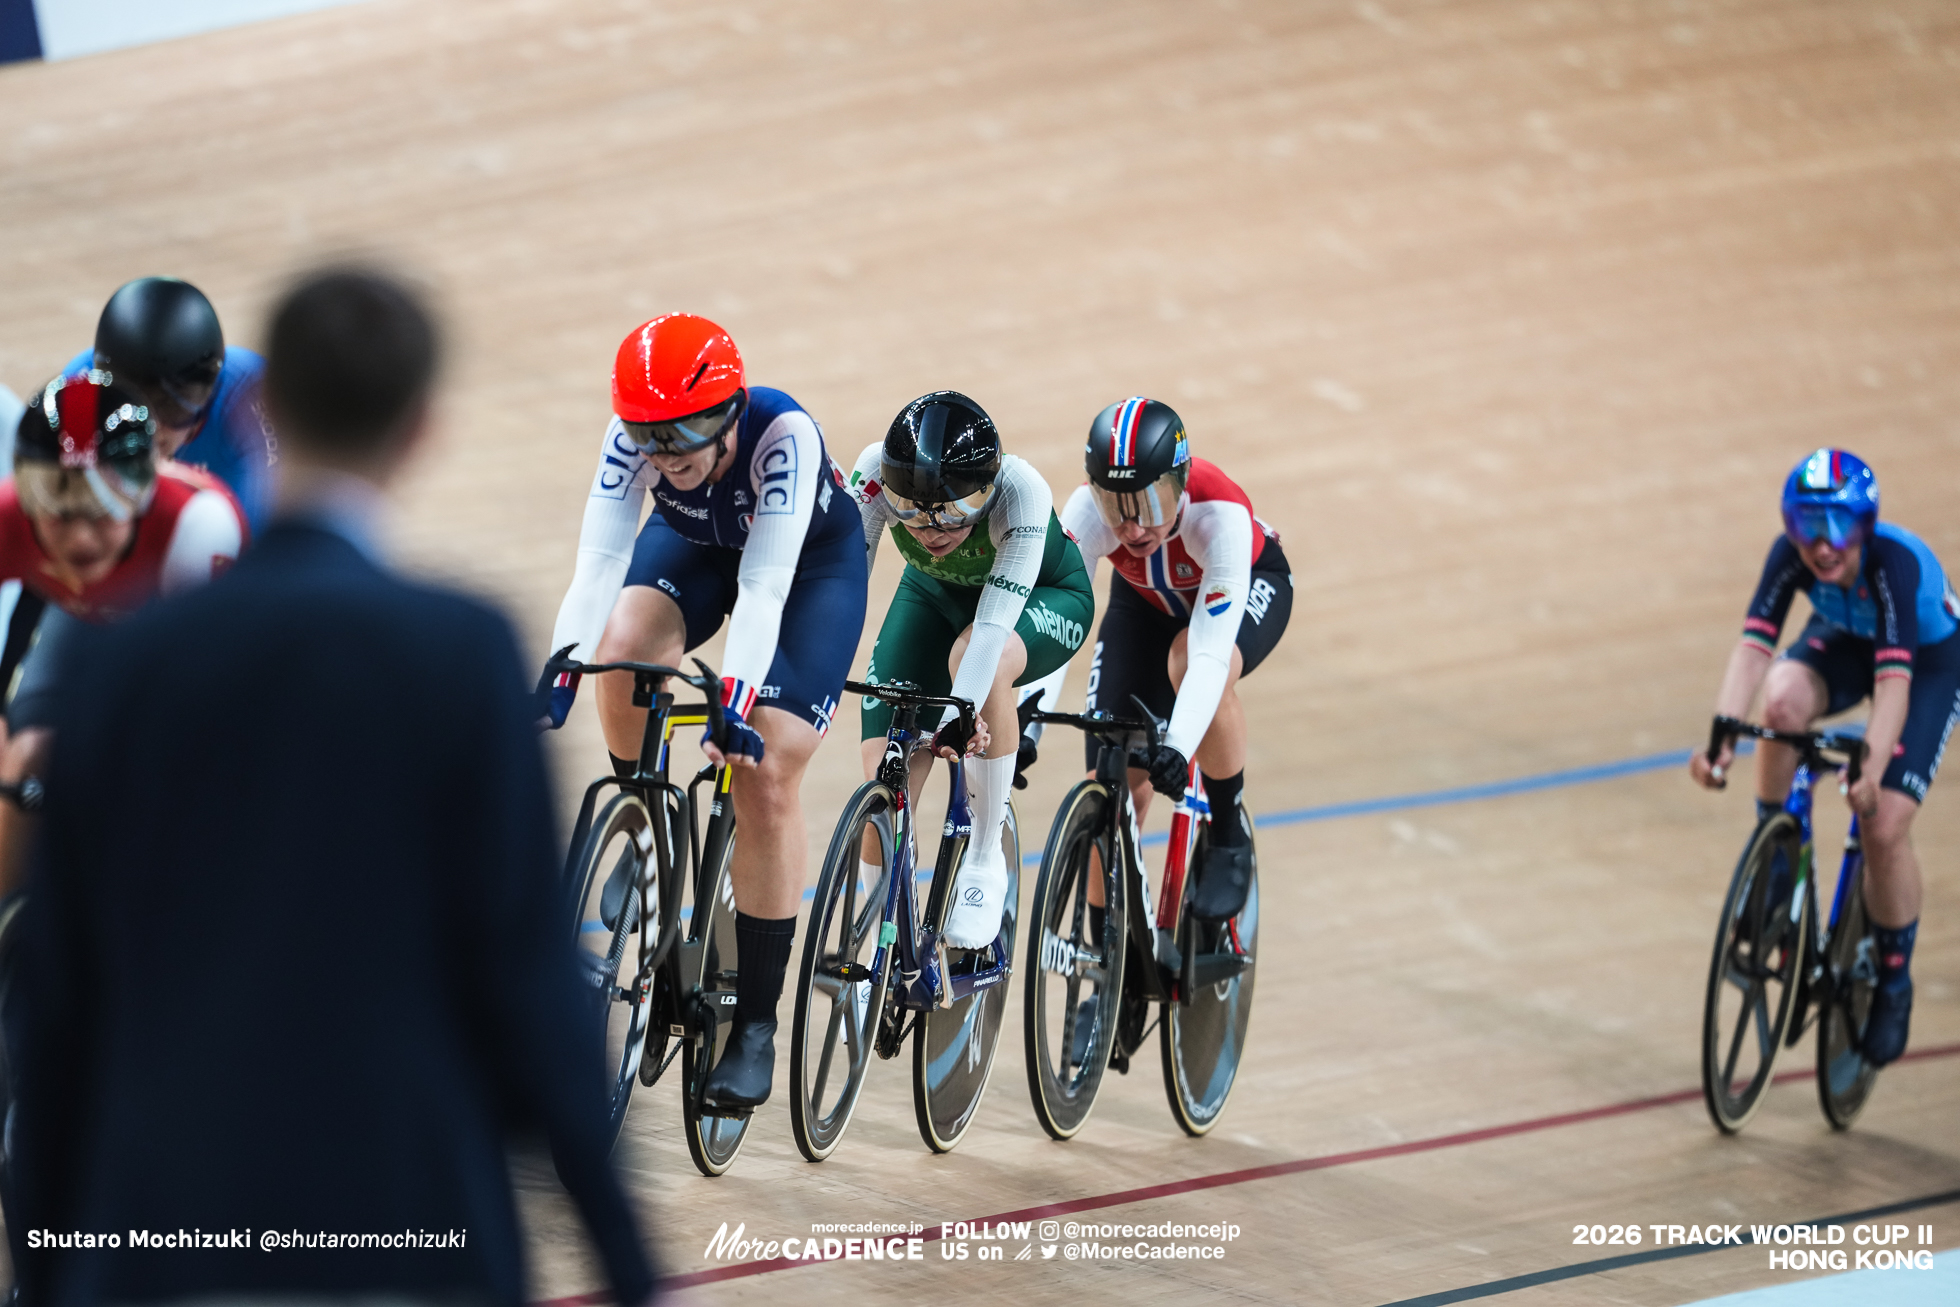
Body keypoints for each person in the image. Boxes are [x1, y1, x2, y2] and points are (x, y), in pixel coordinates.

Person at [5, 267, 657, 1307]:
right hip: (401, 1224)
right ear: (420, 431)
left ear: (262, 407)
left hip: (158, 1232)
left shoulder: (115, 667)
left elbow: (61, 994)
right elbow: (531, 983)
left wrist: (45, 1266)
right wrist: (629, 1266)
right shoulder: (462, 652)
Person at [545, 313, 867, 1111]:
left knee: (763, 772)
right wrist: (560, 667)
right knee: (620, 648)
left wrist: (736, 701)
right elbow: (597, 568)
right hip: (698, 546)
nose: (666, 452)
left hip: (805, 573)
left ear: (730, 412)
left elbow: (762, 590)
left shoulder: (781, 434)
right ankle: (647, 831)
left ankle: (756, 1022)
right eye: (650, 436)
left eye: (686, 433)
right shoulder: (637, 443)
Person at [1689, 448, 1956, 1067]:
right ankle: (1776, 858)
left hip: (1929, 664)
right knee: (1781, 705)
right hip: (1844, 639)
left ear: (1864, 525)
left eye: (1836, 525)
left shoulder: (1892, 565)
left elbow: (1895, 684)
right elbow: (1755, 647)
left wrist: (1870, 769)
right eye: (1806, 524)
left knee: (1883, 824)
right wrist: (1722, 736)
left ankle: (1892, 981)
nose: (1821, 544)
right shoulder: (1791, 556)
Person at [1026, 397, 1293, 923]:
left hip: (1249, 588)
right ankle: (1103, 958)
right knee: (1113, 782)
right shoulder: (1083, 515)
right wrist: (1026, 725)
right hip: (1144, 605)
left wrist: (1178, 745)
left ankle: (1227, 834)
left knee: (1187, 661)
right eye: (1115, 506)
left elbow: (1210, 656)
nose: (1132, 528)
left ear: (1182, 481)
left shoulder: (1220, 515)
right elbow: (1051, 628)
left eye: (1149, 503)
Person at [848, 391, 1091, 947]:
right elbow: (845, 588)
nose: (930, 529)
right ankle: (879, 950)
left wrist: (963, 711)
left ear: (986, 489)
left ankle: (983, 859)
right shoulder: (871, 473)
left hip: (1042, 600)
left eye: (955, 512)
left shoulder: (1021, 491)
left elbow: (989, 629)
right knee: (882, 774)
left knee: (974, 659)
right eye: (907, 510)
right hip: (934, 597)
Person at [0, 371, 246, 894]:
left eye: (104, 508)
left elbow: (204, 703)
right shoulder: (6, 519)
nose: (81, 537)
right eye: (58, 512)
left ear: (142, 493)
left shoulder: (199, 528)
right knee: (21, 762)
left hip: (179, 648)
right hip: (79, 623)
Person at [64, 276, 276, 532]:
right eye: (129, 407)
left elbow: (281, 529)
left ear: (210, 392)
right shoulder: (78, 391)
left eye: (170, 406)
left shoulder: (249, 396)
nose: (151, 431)